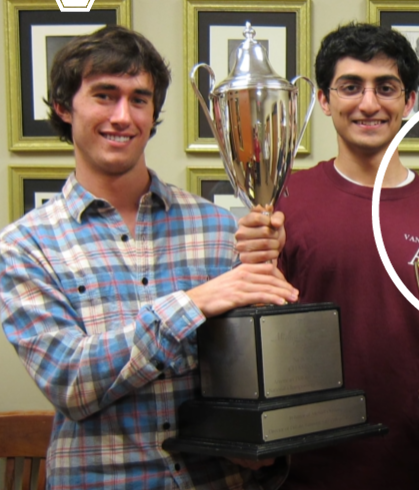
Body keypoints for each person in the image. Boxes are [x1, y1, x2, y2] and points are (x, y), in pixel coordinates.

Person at [0, 25, 298, 490]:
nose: (123, 115)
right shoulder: (25, 247)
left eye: (139, 99)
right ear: (63, 107)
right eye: (104, 95)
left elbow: (249, 375)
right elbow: (71, 383)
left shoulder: (217, 228)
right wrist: (193, 303)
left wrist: (267, 446)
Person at [236, 23, 419, 490]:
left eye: (386, 88)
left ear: (409, 102)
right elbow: (248, 335)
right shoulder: (280, 202)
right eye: (350, 87)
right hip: (303, 469)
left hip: (416, 466)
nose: (368, 104)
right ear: (324, 100)